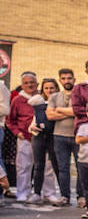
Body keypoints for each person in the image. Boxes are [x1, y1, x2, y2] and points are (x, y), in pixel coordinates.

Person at [25, 77, 62, 205]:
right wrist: (32, 128)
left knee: (56, 166)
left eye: (52, 88)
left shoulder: (61, 102)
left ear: (57, 88)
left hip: (55, 136)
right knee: (38, 165)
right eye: (46, 88)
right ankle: (36, 193)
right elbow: (34, 120)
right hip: (39, 136)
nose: (49, 90)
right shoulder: (39, 103)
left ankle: (58, 194)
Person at [7, 72, 39, 203]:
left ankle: (42, 192)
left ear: (37, 84)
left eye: (32, 82)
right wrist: (17, 132)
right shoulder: (17, 100)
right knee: (24, 166)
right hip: (24, 137)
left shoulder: (41, 98)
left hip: (41, 139)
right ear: (22, 85)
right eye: (26, 83)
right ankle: (22, 192)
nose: (29, 85)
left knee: (43, 167)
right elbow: (10, 120)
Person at [48, 69, 77, 205]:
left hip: (77, 135)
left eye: (69, 78)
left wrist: (59, 110)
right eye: (64, 78)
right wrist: (70, 113)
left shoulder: (79, 95)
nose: (67, 81)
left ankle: (81, 197)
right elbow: (49, 115)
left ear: (74, 79)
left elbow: (80, 112)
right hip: (59, 136)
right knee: (62, 168)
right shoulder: (54, 97)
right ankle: (65, 196)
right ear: (60, 80)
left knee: (80, 167)